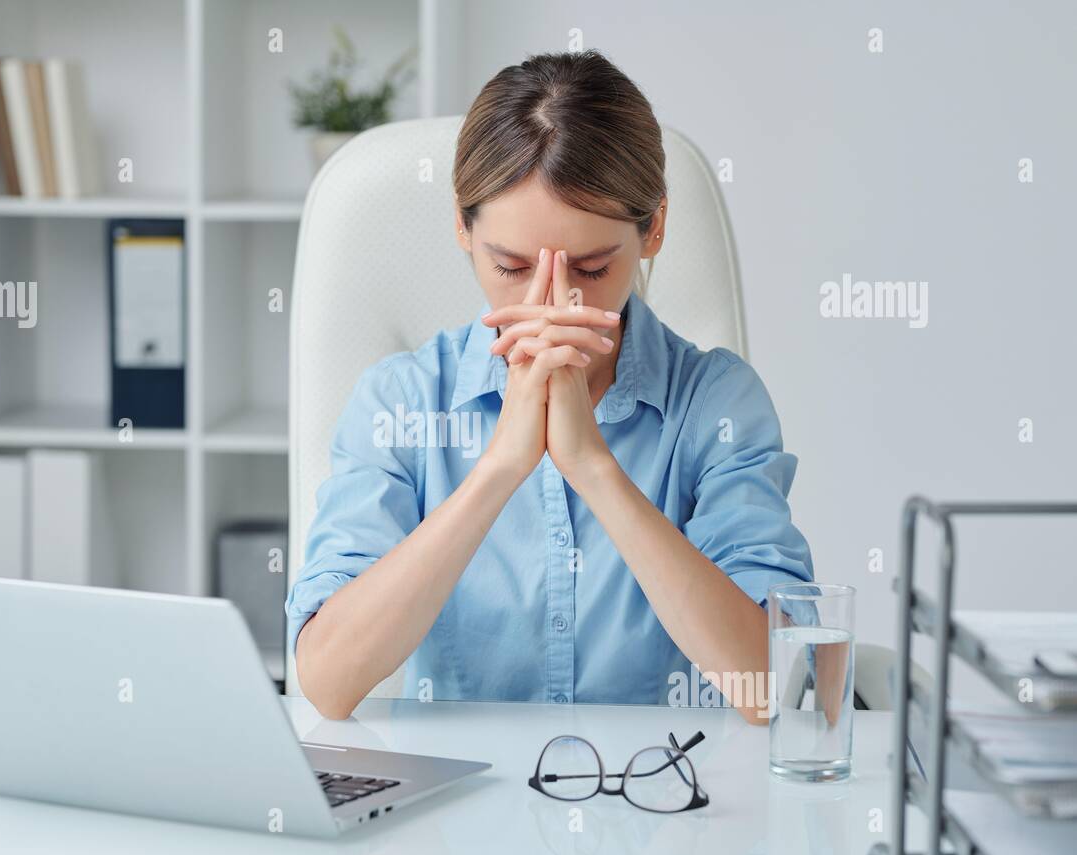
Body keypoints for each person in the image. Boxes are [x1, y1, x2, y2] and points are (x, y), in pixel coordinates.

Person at [286, 50, 813, 723]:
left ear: (653, 229)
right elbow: (327, 682)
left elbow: (776, 689)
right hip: (459, 811)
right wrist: (500, 467)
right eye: (510, 266)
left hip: (666, 799)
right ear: (461, 226)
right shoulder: (402, 401)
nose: (553, 302)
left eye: (592, 269)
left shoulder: (717, 403)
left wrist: (592, 466)